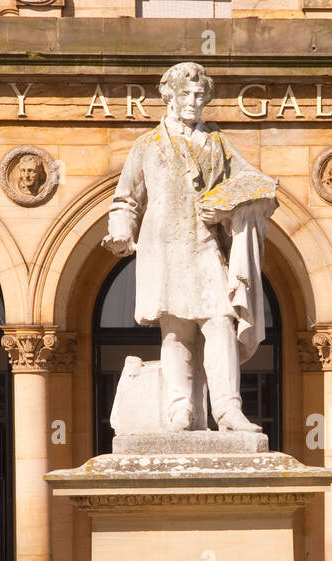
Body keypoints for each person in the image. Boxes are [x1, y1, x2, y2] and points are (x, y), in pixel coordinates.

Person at [101, 61, 275, 434]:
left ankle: (228, 409)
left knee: (220, 322)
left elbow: (260, 187)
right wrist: (120, 231)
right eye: (187, 94)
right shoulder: (146, 146)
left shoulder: (218, 144)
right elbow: (126, 199)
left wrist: (228, 207)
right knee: (176, 330)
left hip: (206, 246)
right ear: (170, 97)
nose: (195, 101)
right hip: (164, 248)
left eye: (200, 95)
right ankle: (180, 409)